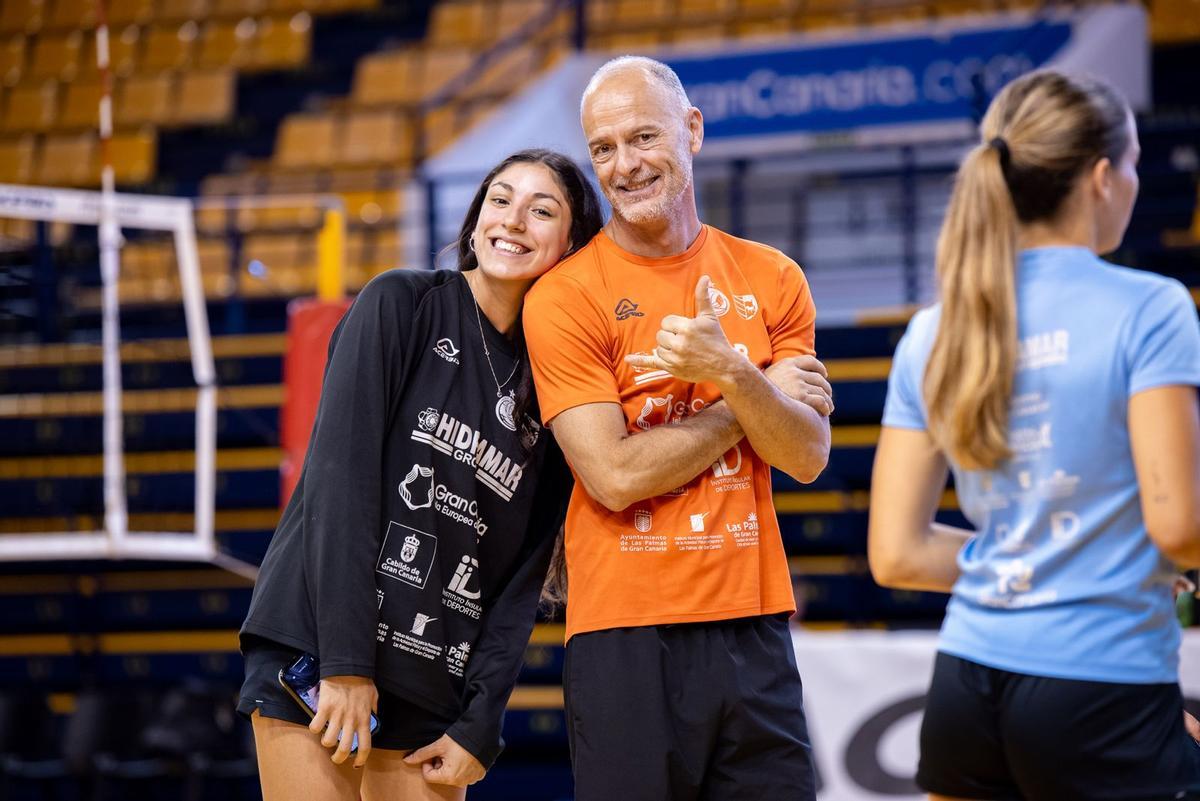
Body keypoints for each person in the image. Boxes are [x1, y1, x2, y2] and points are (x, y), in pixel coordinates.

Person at [868, 69, 1200, 801]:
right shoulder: (1151, 307)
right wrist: (1101, 561)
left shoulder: (933, 330)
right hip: (1101, 685)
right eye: (1136, 164)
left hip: (964, 686)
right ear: (1103, 178)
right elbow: (1179, 527)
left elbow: (898, 554)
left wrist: (1040, 557)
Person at [238, 149, 603, 801]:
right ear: (475, 217)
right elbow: (337, 484)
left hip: (433, 673)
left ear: (571, 243)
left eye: (541, 210)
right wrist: (346, 664)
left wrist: (480, 724)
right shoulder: (401, 302)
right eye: (500, 198)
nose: (514, 219)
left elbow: (524, 581)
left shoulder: (556, 386)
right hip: (321, 650)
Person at [522, 56, 833, 801]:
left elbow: (806, 454)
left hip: (753, 623)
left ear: (691, 130)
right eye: (603, 148)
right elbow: (615, 473)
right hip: (624, 634)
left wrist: (733, 372)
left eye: (643, 137)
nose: (624, 165)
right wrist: (742, 393)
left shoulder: (773, 276)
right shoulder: (563, 297)